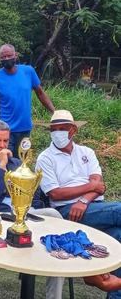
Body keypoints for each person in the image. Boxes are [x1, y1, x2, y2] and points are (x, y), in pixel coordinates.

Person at [0, 119, 65, 299]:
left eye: (5, 141)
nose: (2, 145)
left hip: (26, 214)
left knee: (54, 218)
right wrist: (1, 168)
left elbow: (33, 191)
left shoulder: (17, 162)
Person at [36, 110, 121, 299]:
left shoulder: (86, 152)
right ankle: (94, 277)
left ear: (73, 130)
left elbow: (99, 184)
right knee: (118, 210)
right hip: (65, 212)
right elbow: (55, 193)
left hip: (91, 207)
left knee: (119, 237)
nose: (57, 133)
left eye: (62, 129)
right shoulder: (45, 158)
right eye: (53, 129)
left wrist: (84, 199)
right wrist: (92, 187)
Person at [0, 44, 55, 156]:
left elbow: (40, 93)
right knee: (5, 163)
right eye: (3, 57)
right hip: (5, 132)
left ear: (15, 55)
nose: (6, 59)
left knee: (23, 163)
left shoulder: (28, 72)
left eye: (9, 55)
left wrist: (54, 112)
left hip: (25, 129)